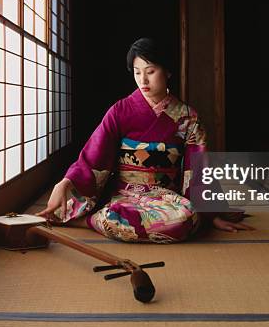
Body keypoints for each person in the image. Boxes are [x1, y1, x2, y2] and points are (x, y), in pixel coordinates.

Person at [37, 38, 252, 243]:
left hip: (166, 199)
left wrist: (210, 214)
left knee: (185, 220)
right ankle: (98, 218)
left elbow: (198, 169)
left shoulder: (187, 117)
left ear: (167, 71)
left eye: (150, 71)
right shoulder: (120, 111)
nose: (143, 80)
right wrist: (67, 182)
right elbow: (95, 156)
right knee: (71, 204)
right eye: (137, 72)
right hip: (125, 195)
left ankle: (93, 220)